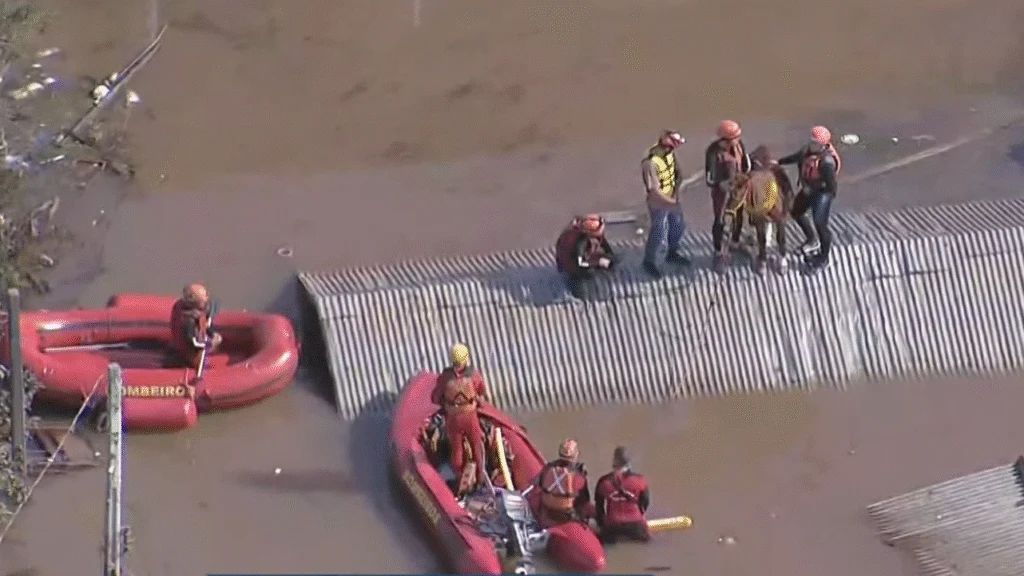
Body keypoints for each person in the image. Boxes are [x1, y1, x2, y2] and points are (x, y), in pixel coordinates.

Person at [778, 125, 841, 271]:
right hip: (808, 189)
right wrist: (779, 162)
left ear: (823, 145)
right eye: (811, 142)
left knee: (820, 223)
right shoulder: (807, 150)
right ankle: (811, 239)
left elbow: (832, 187)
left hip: (823, 193)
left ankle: (823, 258)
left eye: (815, 144)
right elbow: (795, 157)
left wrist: (812, 189)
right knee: (795, 211)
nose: (812, 145)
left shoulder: (826, 163)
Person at [431, 343, 489, 494]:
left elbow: (436, 397)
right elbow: (481, 392)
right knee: (477, 445)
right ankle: (481, 477)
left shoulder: (446, 377)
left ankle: (458, 480)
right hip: (470, 416)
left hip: (453, 418)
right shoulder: (474, 375)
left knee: (456, 450)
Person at [641, 130, 690, 278]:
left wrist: (675, 192)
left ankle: (672, 252)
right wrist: (670, 201)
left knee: (678, 225)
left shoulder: (669, 154)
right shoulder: (650, 163)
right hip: (658, 202)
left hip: (672, 197)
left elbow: (678, 174)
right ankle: (649, 262)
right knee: (658, 231)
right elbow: (654, 190)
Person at [704, 120, 752, 272]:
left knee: (739, 215)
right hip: (721, 191)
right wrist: (722, 184)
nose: (738, 139)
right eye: (735, 137)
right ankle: (718, 253)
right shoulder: (713, 153)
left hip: (738, 187)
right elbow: (709, 177)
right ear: (726, 139)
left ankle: (735, 243)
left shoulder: (739, 145)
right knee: (720, 220)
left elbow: (745, 163)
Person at [594, 446, 651, 544]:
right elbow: (645, 502)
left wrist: (601, 524)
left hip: (612, 526)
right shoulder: (640, 480)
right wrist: (641, 515)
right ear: (629, 462)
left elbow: (599, 506)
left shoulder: (604, 481)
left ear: (614, 460)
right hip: (636, 526)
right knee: (649, 543)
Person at [554, 214, 616, 300]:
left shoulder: (595, 237)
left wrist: (610, 258)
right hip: (572, 267)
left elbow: (606, 247)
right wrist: (598, 263)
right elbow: (579, 263)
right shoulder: (580, 242)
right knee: (583, 286)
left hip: (579, 259)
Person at [534, 439, 592, 527]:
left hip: (546, 510)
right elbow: (584, 499)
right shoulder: (577, 475)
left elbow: (540, 485)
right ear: (575, 454)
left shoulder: (548, 468)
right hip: (566, 514)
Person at [169, 283, 222, 373]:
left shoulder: (197, 313)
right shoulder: (188, 320)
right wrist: (209, 345)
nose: (206, 300)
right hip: (187, 354)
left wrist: (213, 334)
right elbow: (191, 341)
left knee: (217, 338)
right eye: (203, 299)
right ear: (193, 302)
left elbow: (204, 326)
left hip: (190, 348)